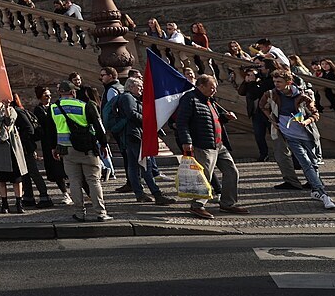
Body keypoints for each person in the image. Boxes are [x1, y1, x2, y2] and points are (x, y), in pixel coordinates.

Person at [257, 67, 335, 210]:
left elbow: (315, 114)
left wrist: (306, 121)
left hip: (307, 135)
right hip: (290, 136)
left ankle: (315, 191)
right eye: (274, 81)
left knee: (313, 164)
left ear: (289, 82)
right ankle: (323, 194)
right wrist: (272, 120)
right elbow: (262, 106)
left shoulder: (302, 96)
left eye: (279, 81)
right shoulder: (270, 94)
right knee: (306, 163)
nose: (276, 84)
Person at [173, 73, 247, 219]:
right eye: (211, 88)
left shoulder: (210, 100)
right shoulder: (190, 99)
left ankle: (227, 203)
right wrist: (187, 141)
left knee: (232, 172)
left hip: (219, 144)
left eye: (215, 88)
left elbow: (213, 120)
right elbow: (181, 122)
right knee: (204, 176)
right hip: (203, 145)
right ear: (201, 86)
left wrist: (225, 118)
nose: (214, 91)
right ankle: (197, 205)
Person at [104, 76, 171, 204]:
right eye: (139, 86)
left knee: (133, 166)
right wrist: (148, 120)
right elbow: (131, 114)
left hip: (130, 135)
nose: (141, 89)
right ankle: (157, 194)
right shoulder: (128, 98)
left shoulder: (129, 98)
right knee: (146, 165)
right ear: (130, 87)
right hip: (134, 135)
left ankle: (140, 194)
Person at [51, 81, 109, 222]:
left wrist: (55, 147)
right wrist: (103, 144)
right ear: (73, 92)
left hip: (66, 149)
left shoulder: (54, 108)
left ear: (60, 93)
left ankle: (79, 213)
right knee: (93, 180)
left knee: (74, 181)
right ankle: (100, 213)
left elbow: (52, 129)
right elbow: (98, 126)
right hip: (87, 148)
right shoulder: (85, 105)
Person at [0, 101, 27, 214]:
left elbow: (9, 121)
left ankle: (19, 203)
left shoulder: (11, 110)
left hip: (11, 147)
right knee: (1, 178)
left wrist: (7, 107)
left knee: (16, 178)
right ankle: (4, 203)